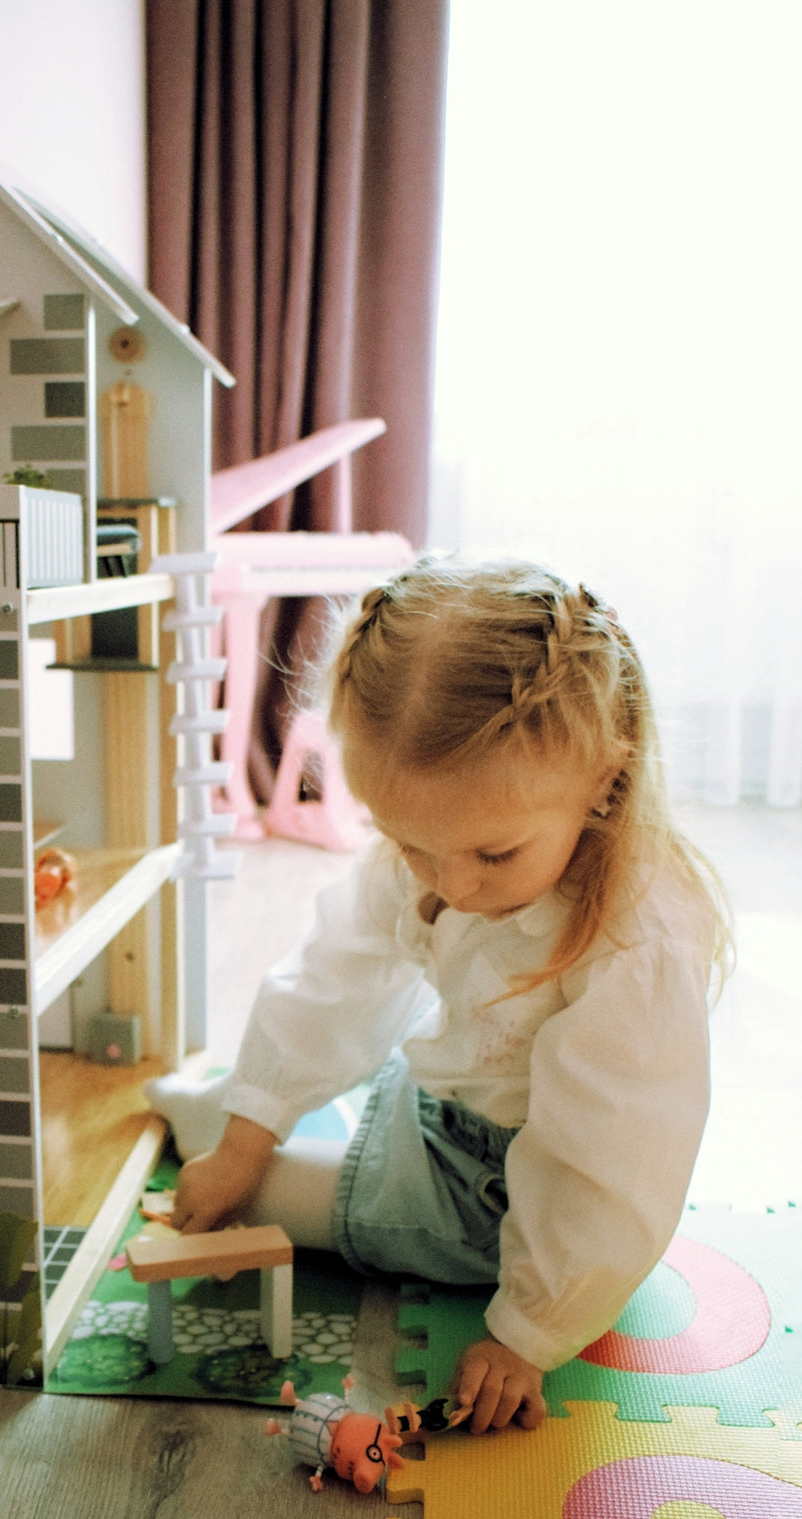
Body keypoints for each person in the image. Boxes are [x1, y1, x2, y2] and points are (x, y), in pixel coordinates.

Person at [148, 557, 730, 1435]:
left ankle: (219, 1121)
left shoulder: (632, 943)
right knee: (246, 1129)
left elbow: (607, 1165)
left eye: (494, 856)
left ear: (606, 776)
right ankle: (224, 1111)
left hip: (504, 1197)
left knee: (267, 1197)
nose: (451, 886)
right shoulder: (448, 845)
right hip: (438, 1098)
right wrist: (249, 1126)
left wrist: (528, 1331)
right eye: (410, 844)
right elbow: (336, 975)